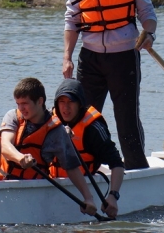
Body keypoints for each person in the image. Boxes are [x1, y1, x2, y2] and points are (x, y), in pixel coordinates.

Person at [63, 0, 157, 169]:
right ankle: (83, 168)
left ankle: (137, 168)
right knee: (83, 116)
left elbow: (148, 15)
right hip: (90, 56)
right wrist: (67, 57)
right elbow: (72, 20)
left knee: (126, 118)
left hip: (124, 56)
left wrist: (149, 34)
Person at [0, 78, 99, 216]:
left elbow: (71, 167)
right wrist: (21, 158)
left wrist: (88, 199)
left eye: (25, 104)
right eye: (18, 104)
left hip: (33, 188)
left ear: (40, 101)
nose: (21, 108)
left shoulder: (57, 131)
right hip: (1, 184)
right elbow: (5, 145)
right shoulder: (13, 116)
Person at [53, 79, 125, 218]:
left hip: (85, 181)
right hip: (54, 180)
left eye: (70, 102)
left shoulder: (93, 129)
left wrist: (113, 196)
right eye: (62, 102)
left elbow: (117, 163)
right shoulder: (51, 120)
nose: (65, 108)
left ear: (80, 104)